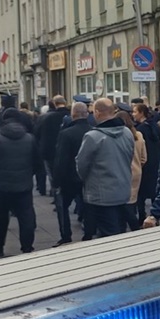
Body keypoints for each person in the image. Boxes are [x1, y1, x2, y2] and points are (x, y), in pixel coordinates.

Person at [75, 98, 136, 239]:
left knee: (106, 235)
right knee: (120, 231)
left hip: (100, 196)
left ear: (97, 113)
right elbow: (129, 157)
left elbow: (82, 165)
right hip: (123, 191)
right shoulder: (127, 133)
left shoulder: (93, 137)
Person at [0, 107, 41, 256]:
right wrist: (29, 174)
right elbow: (37, 163)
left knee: (1, 218)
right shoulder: (30, 138)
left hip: (3, 186)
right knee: (26, 216)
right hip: (24, 184)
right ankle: (27, 246)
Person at [52, 102, 91, 246]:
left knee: (63, 207)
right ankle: (88, 232)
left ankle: (66, 235)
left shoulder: (66, 134)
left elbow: (61, 159)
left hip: (68, 178)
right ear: (86, 114)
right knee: (88, 206)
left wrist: (56, 181)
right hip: (87, 177)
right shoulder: (93, 130)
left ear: (73, 115)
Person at [116, 109, 148, 232]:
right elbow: (144, 158)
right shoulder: (138, 135)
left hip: (122, 171)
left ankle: (131, 227)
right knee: (132, 201)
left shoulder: (119, 136)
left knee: (123, 203)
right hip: (136, 171)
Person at [133, 102, 160, 218]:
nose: (133, 114)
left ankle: (142, 216)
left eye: (135, 111)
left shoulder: (139, 130)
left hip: (144, 164)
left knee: (141, 193)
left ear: (141, 113)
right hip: (155, 162)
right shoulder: (155, 126)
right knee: (154, 190)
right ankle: (155, 215)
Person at [35, 95, 70, 194]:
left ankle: (57, 197)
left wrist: (43, 152)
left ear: (54, 104)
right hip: (68, 151)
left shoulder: (48, 118)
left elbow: (41, 135)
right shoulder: (71, 115)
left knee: (53, 176)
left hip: (51, 151)